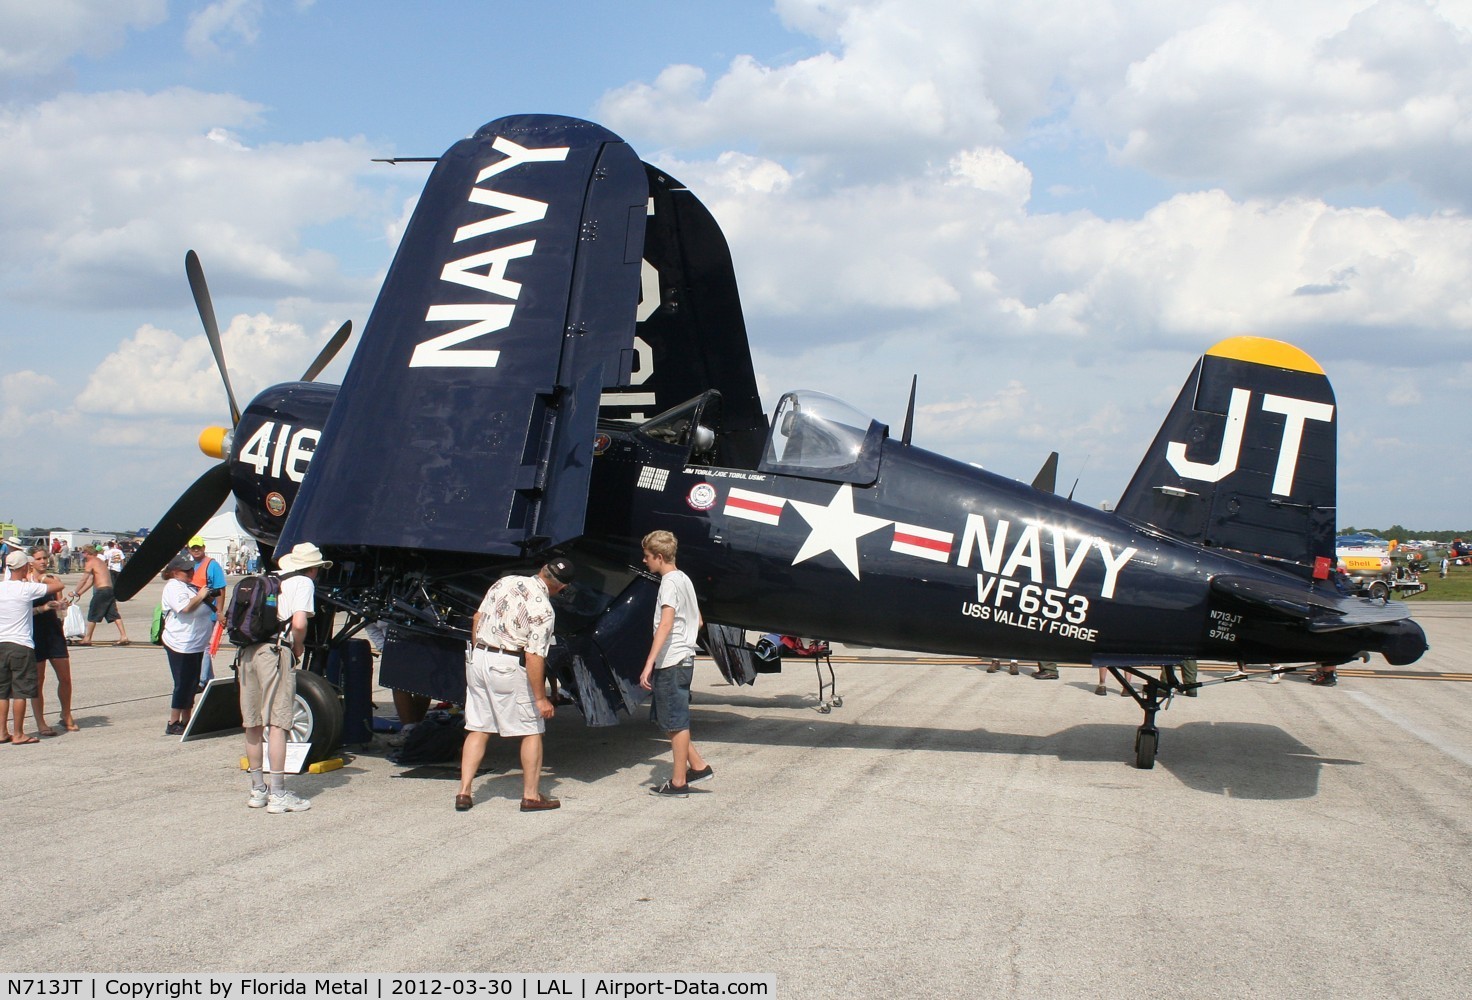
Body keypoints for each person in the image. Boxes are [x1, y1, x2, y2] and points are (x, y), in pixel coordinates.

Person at [455, 558, 574, 813]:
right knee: (532, 728)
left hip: (479, 658)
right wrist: (541, 699)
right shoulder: (544, 609)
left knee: (478, 726)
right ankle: (531, 796)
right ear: (561, 588)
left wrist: (481, 651)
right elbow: (534, 655)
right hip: (507, 663)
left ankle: (464, 791)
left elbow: (477, 617)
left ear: (542, 569)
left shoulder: (505, 581)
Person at [239, 542, 331, 813]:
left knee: (253, 723)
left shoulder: (269, 579)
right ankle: (278, 793)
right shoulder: (302, 583)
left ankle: (258, 790)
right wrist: (299, 645)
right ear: (312, 569)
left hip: (247, 653)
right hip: (276, 651)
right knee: (278, 723)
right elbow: (300, 623)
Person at [639, 530, 712, 797]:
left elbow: (666, 623)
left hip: (672, 660)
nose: (645, 561)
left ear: (659, 556)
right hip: (684, 657)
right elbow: (699, 621)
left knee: (675, 722)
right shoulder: (684, 580)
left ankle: (679, 782)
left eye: (647, 557)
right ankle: (698, 765)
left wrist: (649, 662)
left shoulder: (669, 583)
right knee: (669, 718)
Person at [1, 550, 65, 745]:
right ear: (24, 568)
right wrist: (44, 577)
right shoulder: (26, 588)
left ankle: (2, 732)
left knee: (2, 692)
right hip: (20, 644)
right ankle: (19, 733)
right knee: (20, 691)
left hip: (1, 643)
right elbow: (58, 585)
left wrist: (43, 608)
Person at [24, 547, 76, 734]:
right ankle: (40, 722)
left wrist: (62, 608)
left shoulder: (53, 581)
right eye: (39, 558)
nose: (43, 561)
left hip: (54, 632)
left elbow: (61, 610)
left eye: (45, 558)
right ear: (31, 561)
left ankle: (66, 714)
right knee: (38, 680)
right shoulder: (25, 582)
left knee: (65, 677)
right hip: (34, 633)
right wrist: (44, 607)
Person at [159, 557, 213, 735]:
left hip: (195, 643)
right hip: (180, 643)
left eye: (192, 570)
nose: (191, 573)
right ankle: (173, 721)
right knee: (182, 683)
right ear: (174, 572)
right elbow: (185, 608)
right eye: (186, 571)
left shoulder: (187, 585)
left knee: (192, 683)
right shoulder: (173, 586)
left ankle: (186, 719)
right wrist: (201, 596)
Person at [71, 545, 130, 646]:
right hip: (110, 590)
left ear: (86, 553)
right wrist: (80, 593)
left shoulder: (90, 562)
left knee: (93, 613)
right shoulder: (100, 562)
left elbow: (84, 579)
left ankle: (87, 638)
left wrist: (75, 591)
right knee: (113, 614)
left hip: (102, 591)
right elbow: (91, 581)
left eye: (83, 553)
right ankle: (124, 636)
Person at [188, 538, 227, 685]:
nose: (196, 550)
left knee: (204, 645)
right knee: (200, 644)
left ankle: (202, 680)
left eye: (198, 547)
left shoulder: (212, 565)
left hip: (208, 612)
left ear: (204, 548)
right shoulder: (190, 566)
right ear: (189, 550)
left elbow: (221, 589)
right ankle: (208, 677)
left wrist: (219, 611)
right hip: (194, 611)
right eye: (193, 548)